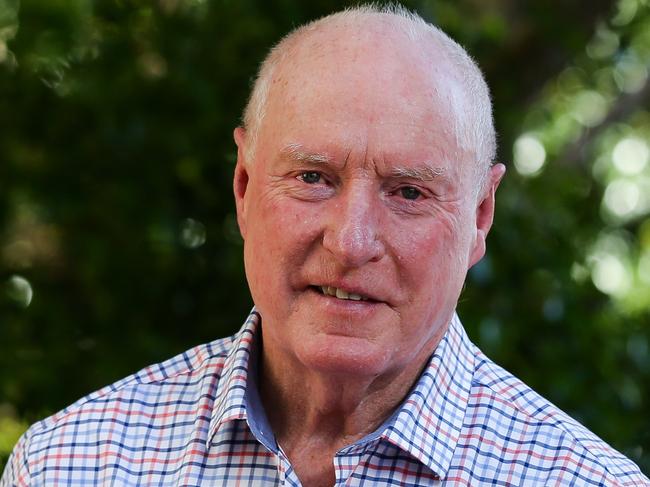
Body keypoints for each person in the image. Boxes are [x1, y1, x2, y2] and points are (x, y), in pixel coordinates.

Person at [2, 5, 649, 486]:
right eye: (314, 178)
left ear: (481, 214)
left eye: (409, 192)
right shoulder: (71, 463)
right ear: (244, 184)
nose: (351, 240)